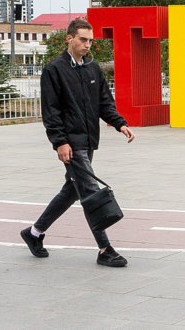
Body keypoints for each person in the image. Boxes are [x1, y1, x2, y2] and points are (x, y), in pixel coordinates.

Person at [20, 18, 135, 267]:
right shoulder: (55, 70)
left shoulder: (92, 69)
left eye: (90, 40)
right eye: (83, 39)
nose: (87, 45)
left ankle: (34, 233)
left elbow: (104, 102)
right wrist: (60, 142)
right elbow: (51, 111)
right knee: (89, 191)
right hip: (71, 143)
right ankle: (105, 248)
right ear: (69, 39)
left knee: (72, 189)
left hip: (89, 140)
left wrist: (120, 123)